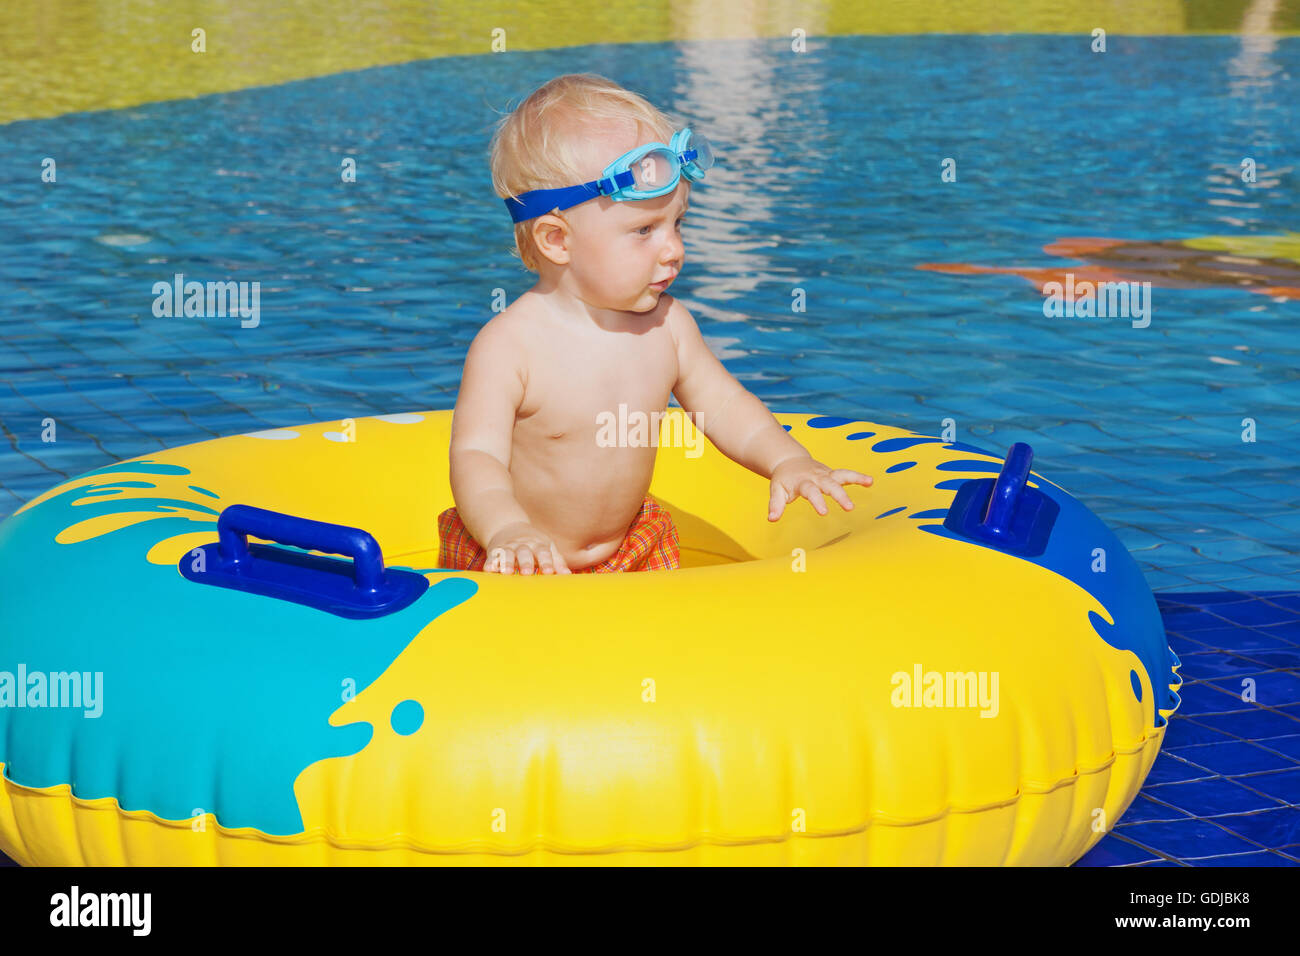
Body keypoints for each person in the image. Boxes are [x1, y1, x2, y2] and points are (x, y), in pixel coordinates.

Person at [438, 73, 871, 575]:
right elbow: (477, 455)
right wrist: (507, 528)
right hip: (520, 557)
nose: (675, 249)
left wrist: (788, 461)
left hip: (630, 548)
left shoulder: (669, 326)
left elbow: (726, 406)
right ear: (557, 240)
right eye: (644, 229)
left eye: (677, 223)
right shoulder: (511, 346)